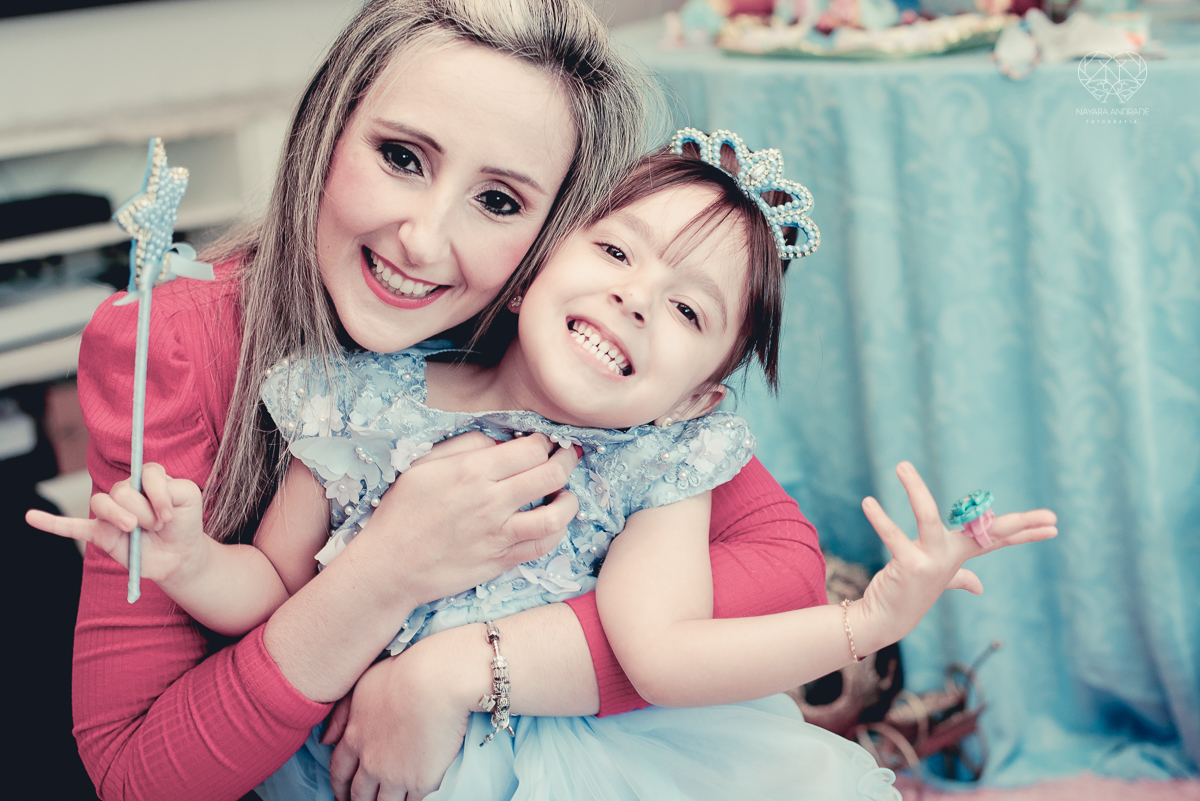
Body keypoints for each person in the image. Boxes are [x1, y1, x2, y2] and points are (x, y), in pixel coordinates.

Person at [35, 139, 1058, 800]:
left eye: (691, 311)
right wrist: (182, 559)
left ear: (699, 396)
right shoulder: (363, 396)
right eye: (617, 253)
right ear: (533, 269)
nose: (636, 301)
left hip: (584, 765)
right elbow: (270, 588)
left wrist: (866, 621)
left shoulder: (659, 463)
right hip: (352, 761)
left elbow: (664, 654)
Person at [34, 3, 835, 800]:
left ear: (552, 235)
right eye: (402, 156)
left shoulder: (573, 363)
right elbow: (137, 775)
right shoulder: (190, 347)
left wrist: (459, 671)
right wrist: (385, 571)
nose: (421, 239)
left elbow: (782, 565)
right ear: (327, 128)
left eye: (500, 202)